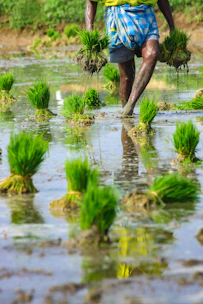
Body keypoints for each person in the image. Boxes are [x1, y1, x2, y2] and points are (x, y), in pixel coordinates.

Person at [85, 0, 175, 116]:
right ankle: (126, 110)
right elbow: (91, 1)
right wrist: (89, 28)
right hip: (117, 19)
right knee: (127, 77)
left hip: (145, 15)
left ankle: (130, 105)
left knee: (152, 54)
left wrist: (172, 25)